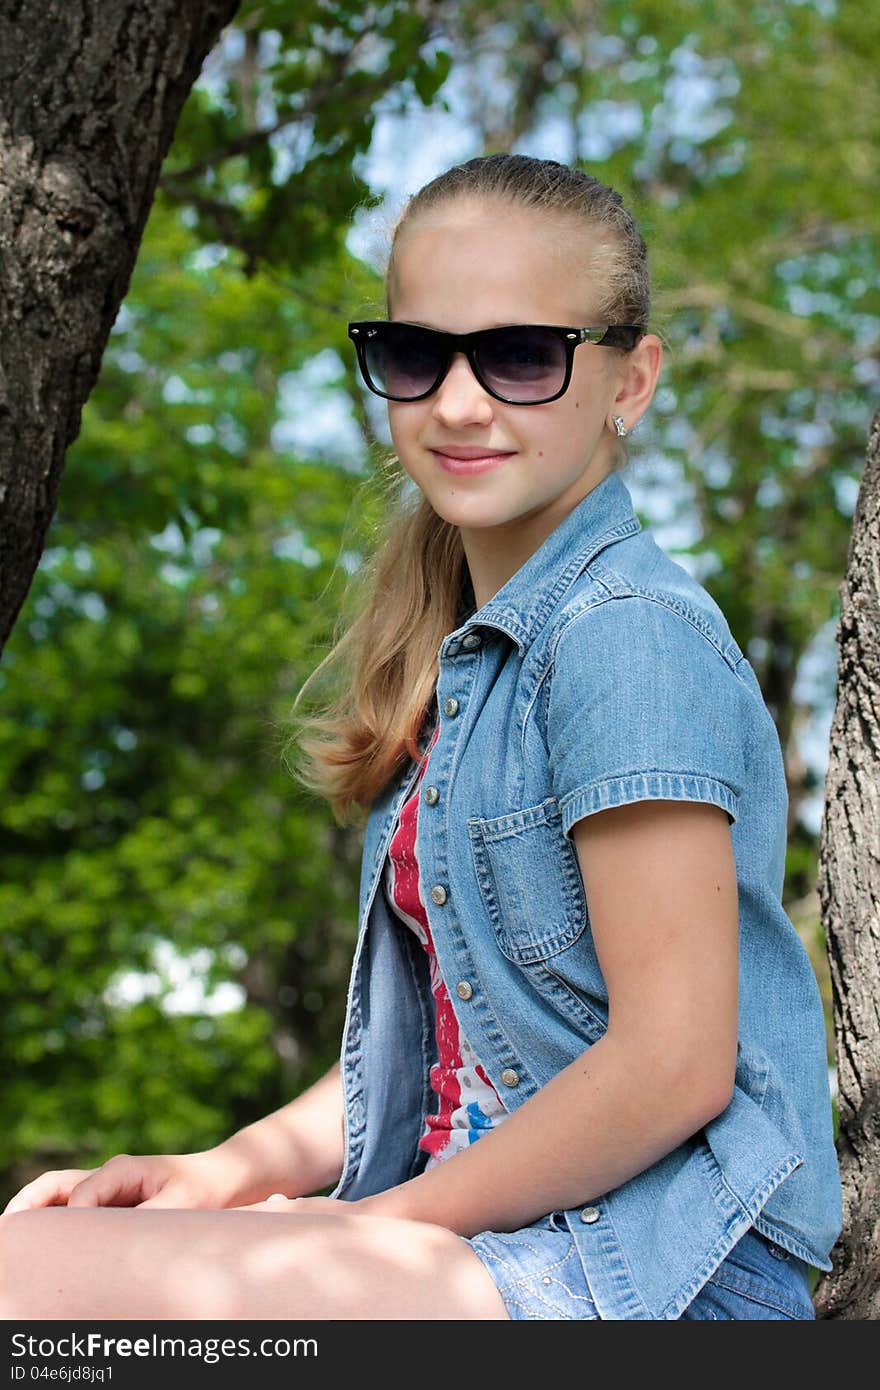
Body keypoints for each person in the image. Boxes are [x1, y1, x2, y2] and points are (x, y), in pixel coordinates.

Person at [0, 153, 841, 1320]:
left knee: (31, 1292)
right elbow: (449, 1048)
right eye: (415, 355)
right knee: (44, 1246)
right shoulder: (466, 664)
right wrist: (220, 1176)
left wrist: (355, 1228)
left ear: (629, 381)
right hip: (490, 1232)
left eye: (520, 355)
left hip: (661, 1268)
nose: (456, 401)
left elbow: (672, 1064)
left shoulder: (625, 638)